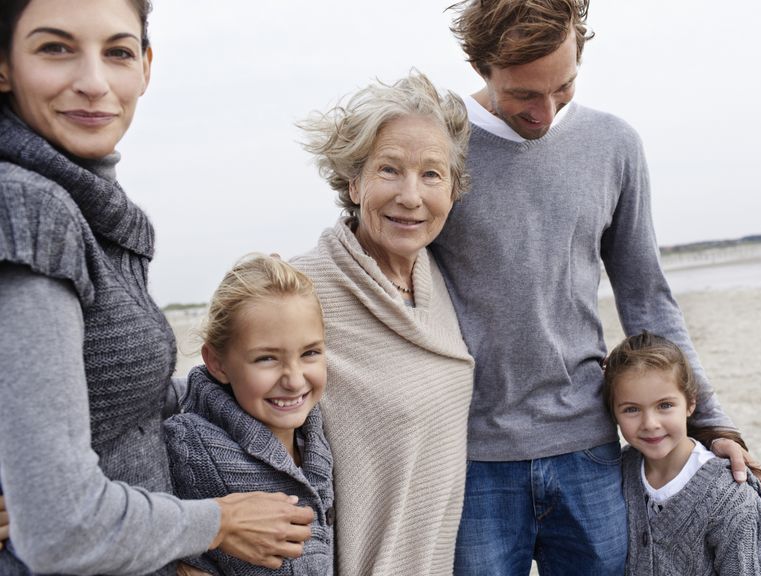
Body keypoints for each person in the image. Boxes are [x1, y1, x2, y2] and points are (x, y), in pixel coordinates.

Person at [430, 1, 761, 574]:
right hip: (473, 456)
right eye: (523, 94)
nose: (544, 112)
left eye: (562, 87)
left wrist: (712, 421)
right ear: (481, 66)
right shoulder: (438, 149)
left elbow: (646, 294)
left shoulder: (614, 144)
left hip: (588, 449)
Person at [0, 1, 312, 573]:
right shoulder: (29, 208)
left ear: (146, 65)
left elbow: (107, 407)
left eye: (117, 51)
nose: (93, 82)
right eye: (55, 48)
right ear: (4, 65)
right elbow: (60, 526)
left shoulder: (89, 208)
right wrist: (220, 522)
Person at [294, 71, 475, 575]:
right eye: (389, 170)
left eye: (432, 175)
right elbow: (215, 413)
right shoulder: (298, 290)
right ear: (354, 182)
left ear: (455, 191)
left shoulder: (436, 279)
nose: (411, 196)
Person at [164, 255, 334, 575]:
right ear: (217, 363)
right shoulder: (186, 443)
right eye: (267, 358)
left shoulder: (317, 440)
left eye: (310, 353)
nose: (295, 379)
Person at [603, 332, 761, 575]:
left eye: (665, 405)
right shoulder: (618, 472)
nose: (650, 423)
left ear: (691, 403)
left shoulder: (731, 499)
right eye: (631, 409)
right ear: (613, 413)